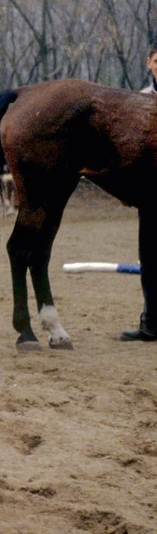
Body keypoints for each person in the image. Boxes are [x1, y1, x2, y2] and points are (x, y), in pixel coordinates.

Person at [121, 41, 157, 342]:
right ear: (148, 63)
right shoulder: (139, 101)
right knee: (149, 260)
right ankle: (150, 324)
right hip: (151, 194)